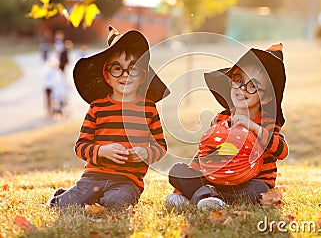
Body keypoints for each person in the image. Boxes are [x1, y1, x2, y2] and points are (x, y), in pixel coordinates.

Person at [47, 26, 170, 208]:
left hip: (127, 181)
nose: (125, 75)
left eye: (132, 69)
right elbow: (80, 147)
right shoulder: (97, 108)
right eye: (117, 69)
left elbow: (161, 146)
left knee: (116, 202)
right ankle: (62, 197)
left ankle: (98, 200)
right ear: (107, 76)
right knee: (67, 204)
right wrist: (102, 151)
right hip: (94, 176)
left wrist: (146, 153)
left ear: (142, 77)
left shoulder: (148, 109)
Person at [166, 44, 288, 210]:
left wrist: (253, 128)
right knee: (178, 171)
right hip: (218, 177)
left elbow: (282, 151)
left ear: (266, 97)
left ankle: (207, 196)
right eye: (238, 80)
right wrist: (182, 187)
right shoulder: (222, 118)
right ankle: (201, 196)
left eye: (253, 86)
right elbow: (206, 152)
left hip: (250, 182)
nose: (242, 88)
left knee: (259, 189)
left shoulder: (267, 123)